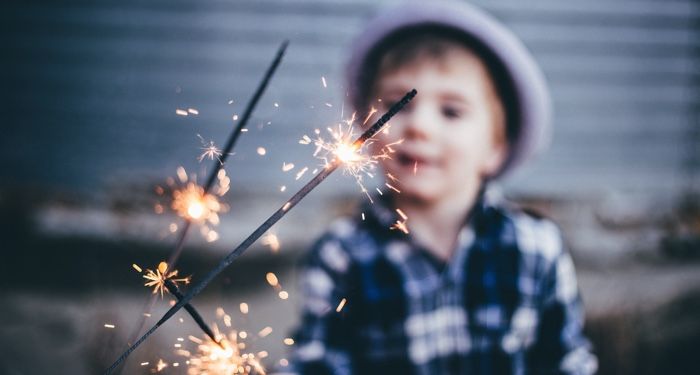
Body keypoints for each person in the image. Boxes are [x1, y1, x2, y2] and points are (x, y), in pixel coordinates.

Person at [287, 1, 597, 374]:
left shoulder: (537, 249)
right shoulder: (340, 256)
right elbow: (317, 362)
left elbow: (566, 362)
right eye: (397, 106)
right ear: (368, 135)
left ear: (496, 147)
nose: (419, 127)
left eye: (451, 111)